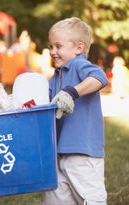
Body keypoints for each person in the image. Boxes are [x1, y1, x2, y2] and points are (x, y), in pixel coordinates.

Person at [43, 17, 108, 205]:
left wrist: (72, 92)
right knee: (56, 199)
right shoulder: (54, 77)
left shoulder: (79, 65)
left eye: (58, 46)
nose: (52, 52)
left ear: (78, 48)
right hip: (58, 153)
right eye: (51, 47)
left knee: (91, 198)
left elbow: (100, 78)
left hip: (82, 151)